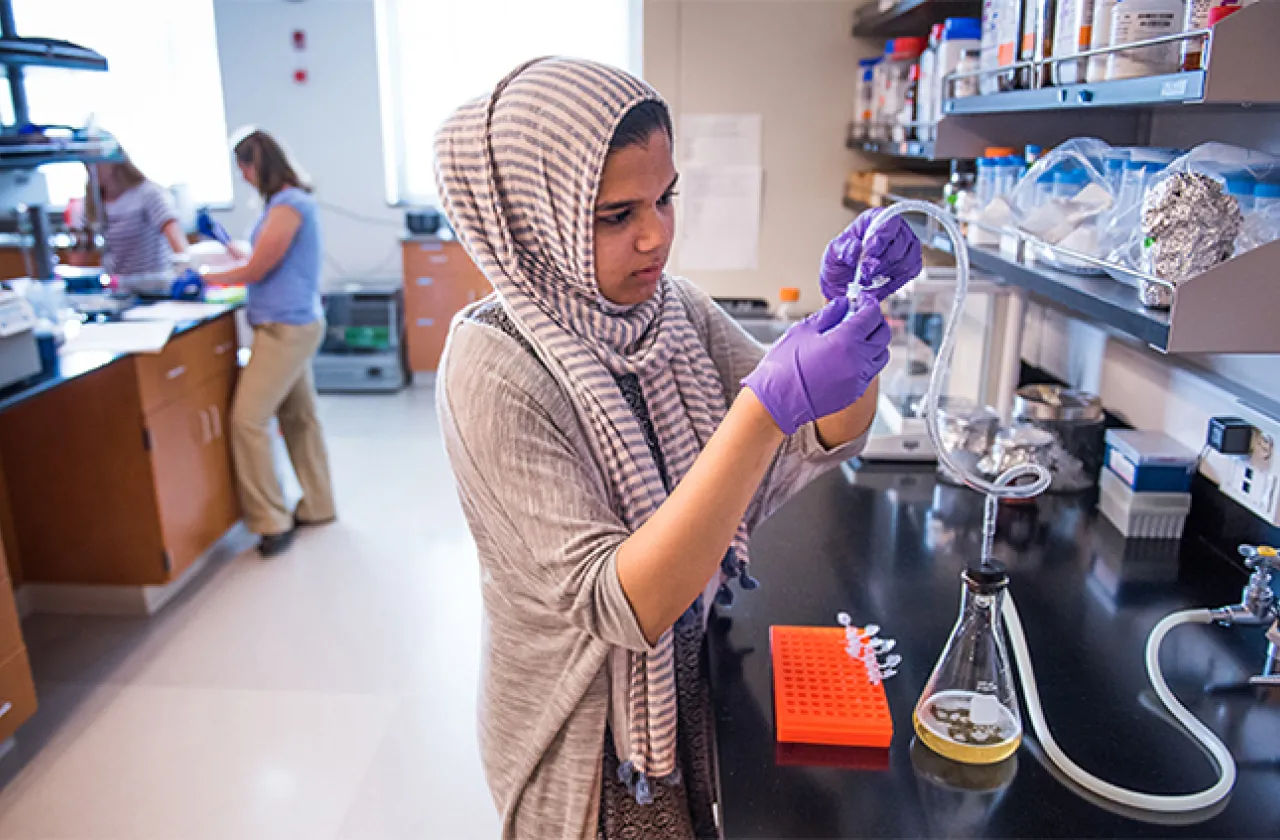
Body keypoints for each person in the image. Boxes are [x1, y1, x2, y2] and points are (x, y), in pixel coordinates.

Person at [434, 58, 922, 839]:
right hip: (596, 738)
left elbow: (823, 432)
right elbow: (622, 603)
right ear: (534, 220)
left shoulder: (672, 310)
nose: (656, 234)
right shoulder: (493, 366)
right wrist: (762, 409)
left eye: (665, 197)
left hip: (688, 674)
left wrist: (855, 316)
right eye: (615, 214)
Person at [203, 128, 336, 557]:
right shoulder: (284, 205)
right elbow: (262, 260)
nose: (243, 178)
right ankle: (317, 505)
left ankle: (272, 522)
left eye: (243, 168)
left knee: (248, 421)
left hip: (286, 329)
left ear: (255, 165)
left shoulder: (290, 205)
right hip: (291, 323)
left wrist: (202, 278)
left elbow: (259, 268)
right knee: (300, 417)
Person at [91, 153, 189, 280]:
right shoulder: (93, 202)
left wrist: (187, 275)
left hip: (156, 286)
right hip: (118, 289)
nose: (91, 168)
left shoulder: (148, 193)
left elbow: (179, 245)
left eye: (97, 163)